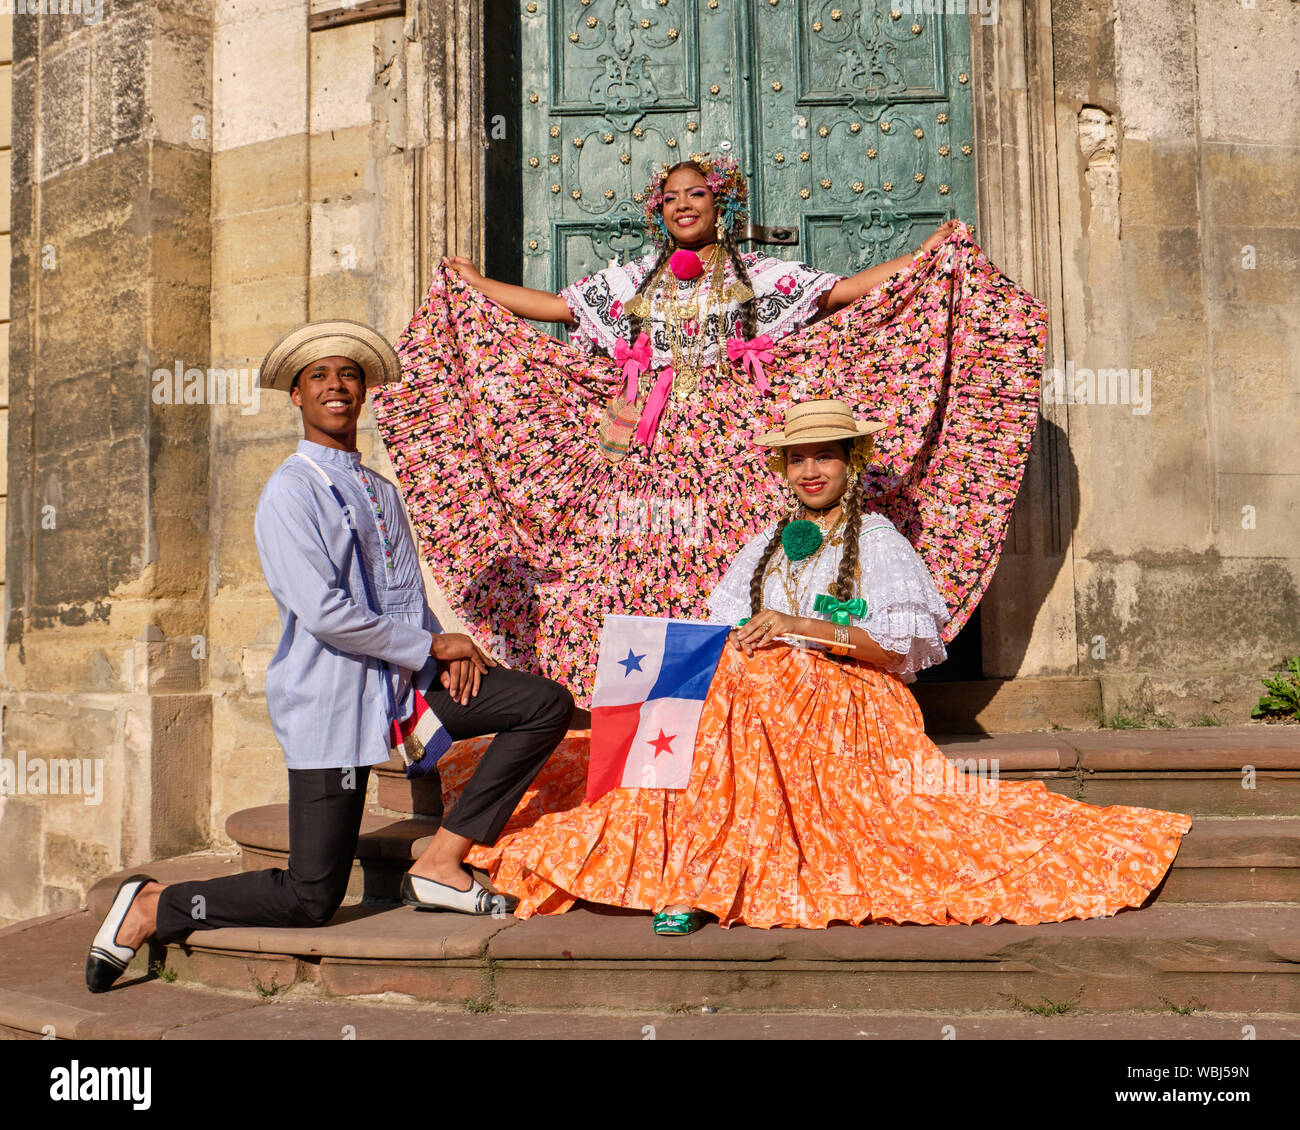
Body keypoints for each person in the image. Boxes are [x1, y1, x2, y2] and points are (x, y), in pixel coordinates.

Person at [442, 400, 1192, 935]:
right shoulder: (764, 544)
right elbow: (717, 623)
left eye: (823, 456)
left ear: (850, 463)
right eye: (797, 458)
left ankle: (700, 874)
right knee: (735, 668)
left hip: (853, 701)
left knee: (754, 674)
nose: (809, 470)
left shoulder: (880, 540)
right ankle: (704, 863)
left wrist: (804, 628)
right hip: (759, 699)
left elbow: (904, 648)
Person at [372, 153, 1041, 707]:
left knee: (733, 571)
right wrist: (476, 285)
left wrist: (921, 260)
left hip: (739, 458)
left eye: (697, 194)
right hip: (649, 455)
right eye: (670, 199)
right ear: (657, 213)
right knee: (638, 569)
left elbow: (842, 295)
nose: (683, 205)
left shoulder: (763, 278)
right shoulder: (632, 282)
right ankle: (649, 713)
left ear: (723, 204)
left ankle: (741, 706)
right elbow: (553, 309)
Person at [85, 320, 574, 993]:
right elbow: (323, 612)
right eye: (319, 376)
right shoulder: (290, 492)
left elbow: (402, 595)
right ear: (296, 395)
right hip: (332, 703)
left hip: (405, 694)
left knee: (540, 703)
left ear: (365, 391)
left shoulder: (381, 491)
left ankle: (440, 863)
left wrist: (442, 652)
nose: (337, 386)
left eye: (348, 374)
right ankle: (153, 904)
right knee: (310, 897)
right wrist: (431, 643)